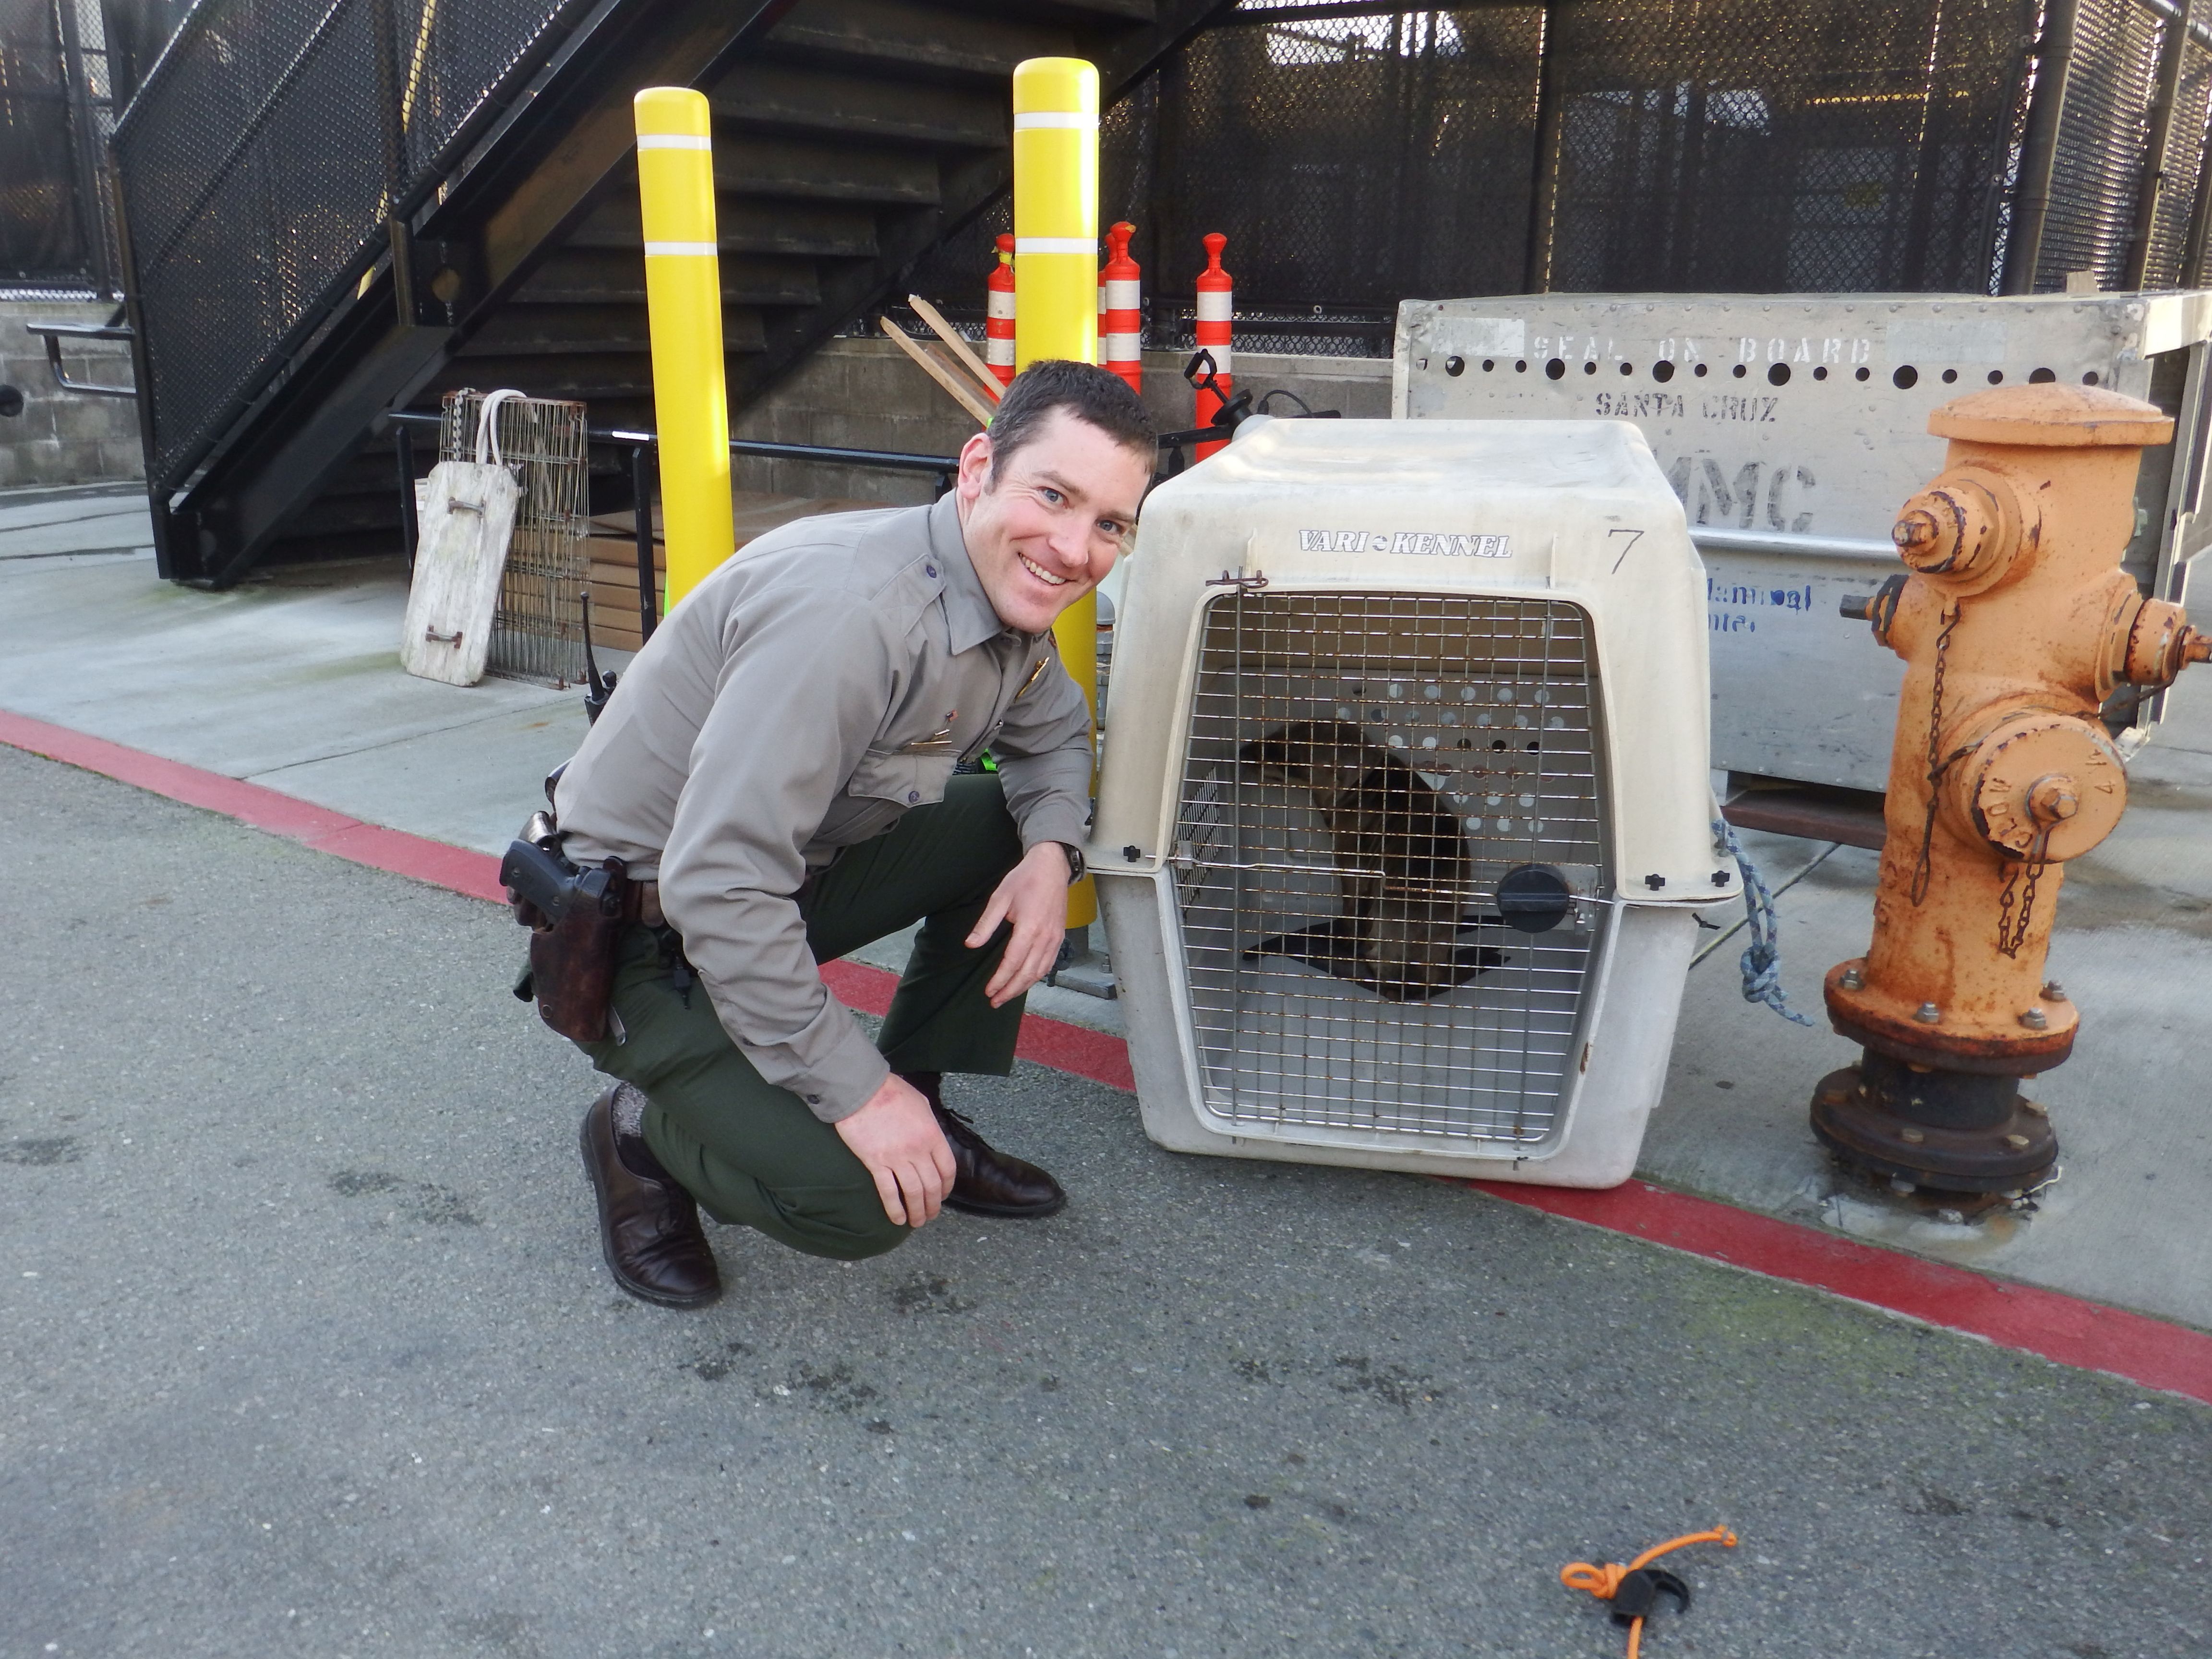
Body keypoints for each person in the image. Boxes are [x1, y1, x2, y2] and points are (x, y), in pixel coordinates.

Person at [545, 360, 1154, 1307]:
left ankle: (926, 1096)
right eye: (1054, 496)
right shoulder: (852, 617)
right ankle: (638, 1135)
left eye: (1110, 523)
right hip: (640, 934)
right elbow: (719, 887)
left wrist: (1048, 854)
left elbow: (1057, 734)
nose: (1076, 549)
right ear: (978, 466)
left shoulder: (998, 588)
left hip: (778, 885)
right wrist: (859, 1099)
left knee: (1002, 823)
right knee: (865, 1207)